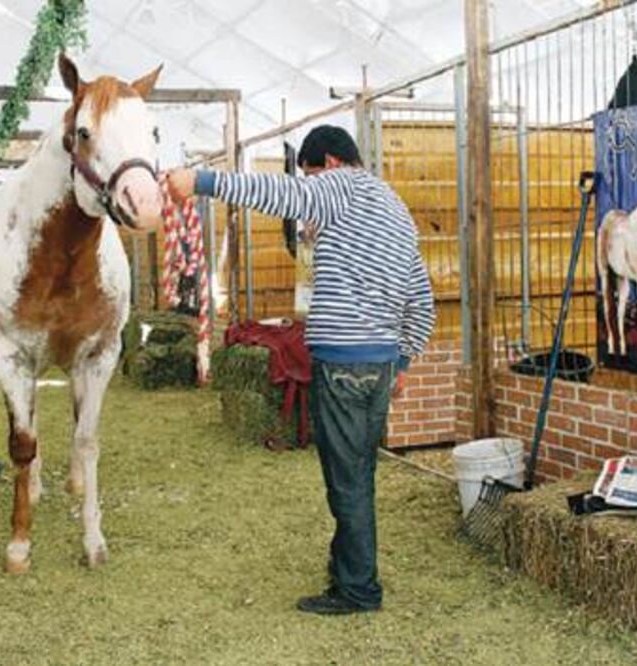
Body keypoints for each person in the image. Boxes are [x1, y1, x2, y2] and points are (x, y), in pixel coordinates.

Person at [166, 125, 435, 616]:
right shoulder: (395, 207)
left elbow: (278, 193)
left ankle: (358, 590)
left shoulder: (339, 186)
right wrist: (402, 359)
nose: (311, 196)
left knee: (346, 480)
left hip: (344, 363)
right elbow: (422, 298)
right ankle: (346, 567)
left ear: (328, 163)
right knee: (358, 471)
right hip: (378, 363)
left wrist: (201, 182)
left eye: (310, 176)